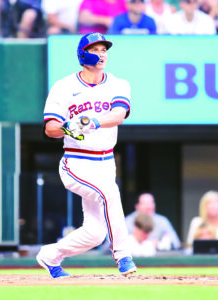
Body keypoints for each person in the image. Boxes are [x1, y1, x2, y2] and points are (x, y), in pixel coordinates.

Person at [36, 32, 137, 278]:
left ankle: (50, 255)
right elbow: (50, 128)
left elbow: (118, 115)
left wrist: (91, 121)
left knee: (95, 233)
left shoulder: (118, 83)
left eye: (104, 50)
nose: (102, 54)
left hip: (106, 161)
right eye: (96, 49)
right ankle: (123, 255)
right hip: (76, 161)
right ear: (83, 54)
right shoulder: (64, 86)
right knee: (109, 192)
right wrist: (69, 126)